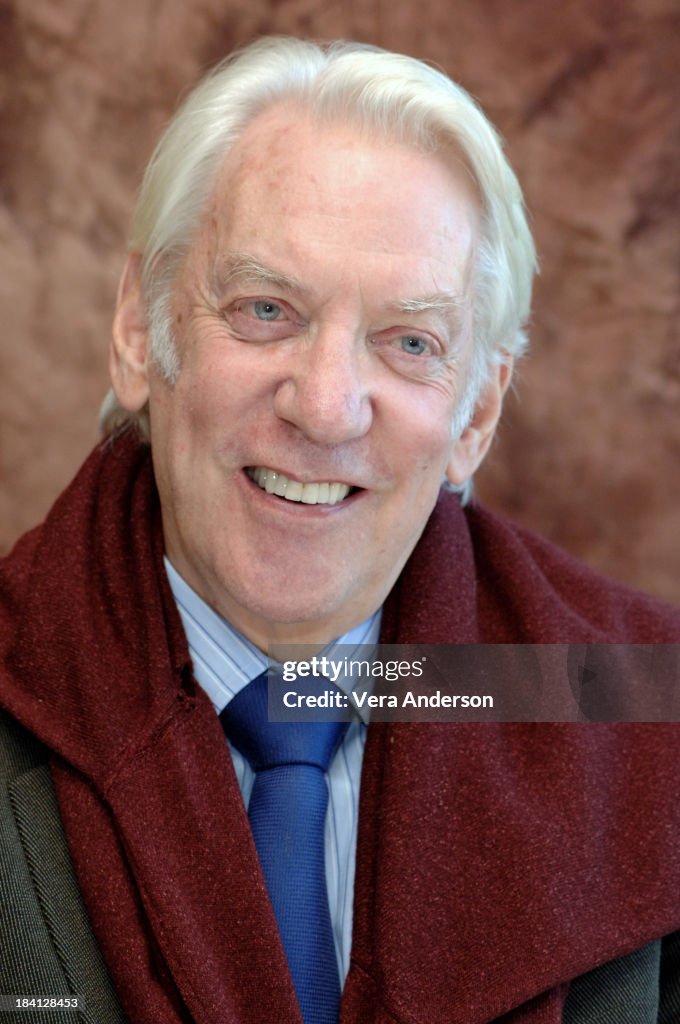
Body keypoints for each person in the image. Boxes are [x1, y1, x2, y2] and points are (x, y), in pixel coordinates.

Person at [1, 35, 679, 1024]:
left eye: (408, 341)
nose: (324, 408)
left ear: (475, 415)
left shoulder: (649, 710)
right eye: (266, 309)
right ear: (141, 334)